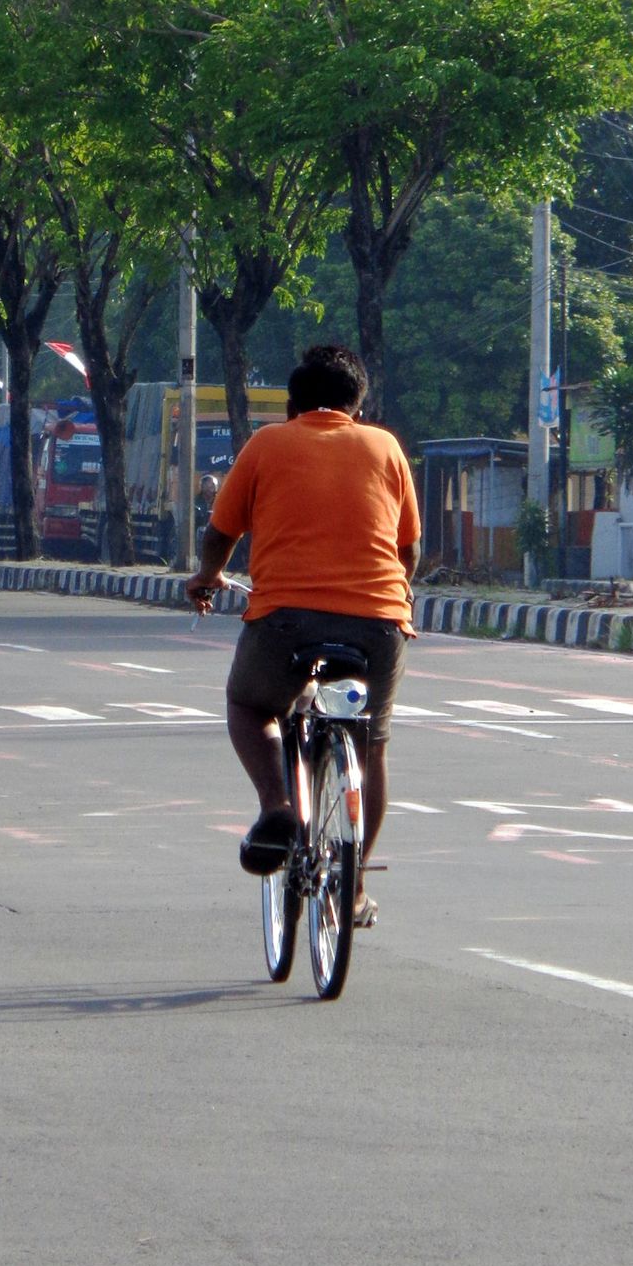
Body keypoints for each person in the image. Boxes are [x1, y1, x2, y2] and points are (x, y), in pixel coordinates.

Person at [185, 345, 420, 926]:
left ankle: (278, 807)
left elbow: (220, 532)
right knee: (370, 745)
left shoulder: (267, 444)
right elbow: (409, 549)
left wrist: (207, 577)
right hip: (378, 622)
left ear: (292, 405)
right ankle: (354, 883)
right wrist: (387, 596)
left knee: (249, 704)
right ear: (356, 405)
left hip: (284, 620)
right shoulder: (385, 447)